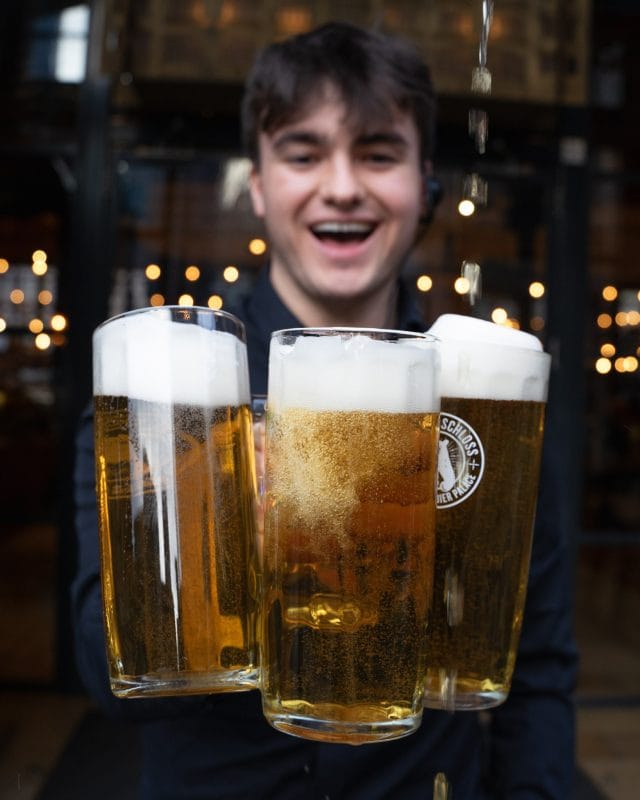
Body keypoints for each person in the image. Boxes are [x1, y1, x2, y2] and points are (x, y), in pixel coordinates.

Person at [72, 22, 578, 799]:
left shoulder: (486, 390)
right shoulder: (166, 387)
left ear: (425, 181)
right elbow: (107, 674)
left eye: (378, 152)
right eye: (303, 154)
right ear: (262, 184)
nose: (342, 186)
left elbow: (535, 666)